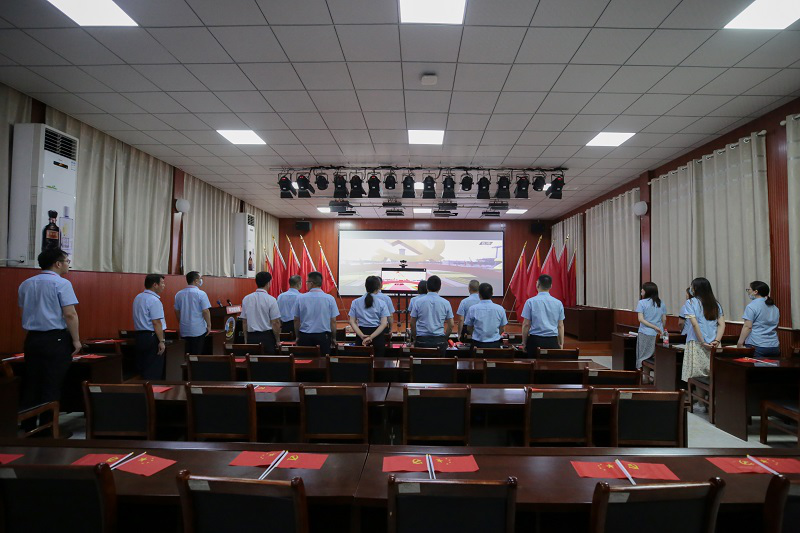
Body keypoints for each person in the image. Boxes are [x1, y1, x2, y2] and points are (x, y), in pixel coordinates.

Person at [17, 247, 82, 433]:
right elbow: (70, 314)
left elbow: (23, 311)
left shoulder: (26, 284)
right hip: (55, 339)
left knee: (32, 383)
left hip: (32, 339)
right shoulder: (62, 284)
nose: (68, 265)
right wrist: (76, 340)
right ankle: (48, 430)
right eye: (67, 261)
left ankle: (28, 427)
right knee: (52, 384)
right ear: (57, 264)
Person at [682, 277, 725, 386]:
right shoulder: (716, 304)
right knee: (712, 373)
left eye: (692, 286)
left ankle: (700, 397)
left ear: (696, 288)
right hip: (714, 343)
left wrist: (702, 342)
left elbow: (695, 324)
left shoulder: (690, 302)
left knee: (697, 375)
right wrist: (717, 340)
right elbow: (721, 324)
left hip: (697, 342)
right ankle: (710, 396)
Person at [292, 271, 340, 356]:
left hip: (305, 336)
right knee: (323, 361)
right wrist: (333, 338)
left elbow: (296, 320)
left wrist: (297, 336)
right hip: (323, 337)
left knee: (304, 361)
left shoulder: (300, 298)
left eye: (307, 282)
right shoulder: (330, 299)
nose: (306, 284)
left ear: (311, 283)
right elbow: (333, 321)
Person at [520, 274, 565, 357]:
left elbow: (526, 324)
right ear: (551, 286)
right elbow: (560, 325)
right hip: (552, 341)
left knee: (533, 363)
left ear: (537, 285)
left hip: (535, 341)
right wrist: (561, 343)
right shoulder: (558, 303)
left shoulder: (530, 302)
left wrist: (524, 343)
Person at [132, 274, 167, 379]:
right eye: (162, 283)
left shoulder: (138, 297)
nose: (164, 285)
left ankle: (144, 388)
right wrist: (161, 341)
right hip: (152, 337)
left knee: (143, 367)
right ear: (155, 285)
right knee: (153, 369)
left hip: (139, 336)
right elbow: (156, 322)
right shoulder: (154, 300)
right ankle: (152, 388)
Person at [410, 275, 454, 354]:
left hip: (421, 340)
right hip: (439, 341)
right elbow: (451, 325)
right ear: (440, 287)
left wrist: (415, 337)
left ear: (427, 287)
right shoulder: (446, 303)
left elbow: (412, 323)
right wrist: (444, 338)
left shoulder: (418, 302)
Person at [241, 271, 282, 355]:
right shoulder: (271, 299)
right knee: (267, 361)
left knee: (252, 361)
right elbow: (275, 322)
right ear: (268, 283)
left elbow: (244, 322)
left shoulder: (246, 299)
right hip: (266, 338)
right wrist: (278, 340)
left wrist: (246, 339)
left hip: (251, 337)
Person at [348, 276, 391, 357]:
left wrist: (362, 335)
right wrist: (371, 337)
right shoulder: (382, 303)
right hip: (377, 336)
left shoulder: (355, 302)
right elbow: (384, 324)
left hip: (361, 335)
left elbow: (352, 322)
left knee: (362, 362)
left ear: (365, 286)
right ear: (378, 287)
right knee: (378, 363)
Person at [737, 280, 780, 358]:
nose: (748, 292)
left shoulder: (751, 306)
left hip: (756, 345)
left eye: (749, 289)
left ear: (755, 291)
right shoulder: (775, 308)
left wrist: (740, 343)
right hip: (774, 346)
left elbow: (748, 327)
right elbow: (775, 326)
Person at [174, 271, 211, 355]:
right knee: (196, 355)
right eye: (200, 278)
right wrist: (209, 325)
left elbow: (176, 311)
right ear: (196, 280)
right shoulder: (201, 294)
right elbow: (205, 311)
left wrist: (180, 322)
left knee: (186, 354)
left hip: (184, 329)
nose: (201, 280)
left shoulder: (179, 294)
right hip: (198, 330)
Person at [464, 283, 507, 348]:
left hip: (477, 344)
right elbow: (502, 328)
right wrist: (494, 336)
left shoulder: (472, 309)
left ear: (479, 294)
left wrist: (476, 336)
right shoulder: (500, 309)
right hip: (495, 344)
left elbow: (469, 328)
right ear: (492, 294)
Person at [635, 282, 667, 369]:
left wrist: (653, 327)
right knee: (656, 356)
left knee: (643, 357)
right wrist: (659, 328)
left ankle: (644, 375)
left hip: (645, 333)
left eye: (643, 289)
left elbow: (641, 319)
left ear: (647, 291)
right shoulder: (661, 303)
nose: (641, 290)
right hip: (659, 334)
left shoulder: (641, 303)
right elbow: (664, 320)